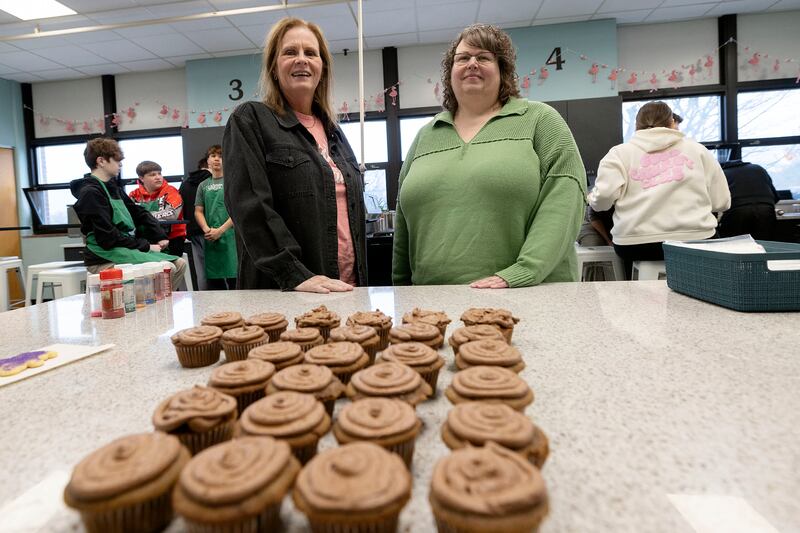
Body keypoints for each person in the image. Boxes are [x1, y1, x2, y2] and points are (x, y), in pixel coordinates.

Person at [392, 24, 586, 288]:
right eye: (462, 58)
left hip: (527, 296)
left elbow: (564, 199)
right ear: (450, 73)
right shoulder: (426, 136)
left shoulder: (540, 120)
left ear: (503, 70)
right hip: (433, 306)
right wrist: (401, 289)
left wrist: (522, 272)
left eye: (483, 57)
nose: (472, 63)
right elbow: (403, 222)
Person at [223, 17, 366, 293]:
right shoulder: (251, 119)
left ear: (321, 68)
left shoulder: (333, 131)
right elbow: (250, 207)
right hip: (288, 290)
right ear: (274, 68)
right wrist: (295, 274)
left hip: (346, 288)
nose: (302, 59)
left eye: (310, 53)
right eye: (290, 52)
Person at [589, 102, 731, 273]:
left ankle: (634, 294)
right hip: (695, 240)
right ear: (672, 122)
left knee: (629, 259)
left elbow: (602, 201)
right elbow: (722, 202)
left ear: (636, 125)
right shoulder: (698, 150)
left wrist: (592, 198)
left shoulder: (618, 154)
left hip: (635, 244)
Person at [71, 137, 188, 288]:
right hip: (103, 256)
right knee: (167, 268)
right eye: (116, 159)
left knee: (179, 263)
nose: (120, 164)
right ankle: (145, 306)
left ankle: (155, 306)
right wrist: (145, 246)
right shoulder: (90, 193)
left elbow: (139, 213)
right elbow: (107, 238)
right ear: (101, 161)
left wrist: (159, 235)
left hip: (121, 248)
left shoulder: (114, 188)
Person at [194, 145, 237, 290]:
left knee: (235, 280)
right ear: (208, 161)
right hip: (211, 238)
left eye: (220, 156)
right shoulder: (203, 185)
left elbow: (238, 211)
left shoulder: (233, 182)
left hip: (231, 236)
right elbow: (198, 211)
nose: (217, 159)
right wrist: (207, 230)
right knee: (215, 283)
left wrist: (221, 230)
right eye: (213, 156)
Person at [129, 160, 186, 258]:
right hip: (144, 240)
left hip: (172, 240)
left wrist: (144, 217)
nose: (158, 177)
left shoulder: (171, 191)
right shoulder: (134, 195)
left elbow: (172, 214)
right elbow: (128, 216)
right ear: (141, 178)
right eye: (152, 175)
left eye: (159, 173)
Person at [719, 160, 779, 240]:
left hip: (737, 212)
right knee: (765, 243)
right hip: (766, 209)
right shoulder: (758, 168)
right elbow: (776, 196)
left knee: (735, 244)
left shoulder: (722, 173)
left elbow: (718, 201)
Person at [179, 155, 213, 290]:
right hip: (212, 230)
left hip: (192, 231)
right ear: (209, 165)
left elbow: (182, 207)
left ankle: (204, 301)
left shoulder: (185, 183)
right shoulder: (212, 182)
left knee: (201, 271)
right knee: (219, 269)